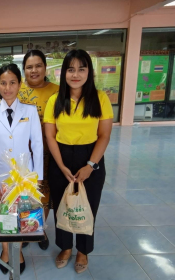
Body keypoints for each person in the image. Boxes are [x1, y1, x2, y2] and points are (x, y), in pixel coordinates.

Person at [44, 49, 113, 273]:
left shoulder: (100, 98)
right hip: (60, 158)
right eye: (70, 69)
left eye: (81, 69)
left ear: (88, 72)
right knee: (61, 206)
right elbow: (50, 136)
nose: (76, 74)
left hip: (91, 157)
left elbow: (104, 135)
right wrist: (61, 165)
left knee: (88, 206)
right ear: (63, 72)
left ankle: (83, 250)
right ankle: (65, 247)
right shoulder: (55, 100)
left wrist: (91, 166)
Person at [0, 63, 43, 275]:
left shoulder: (30, 111)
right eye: (3, 83)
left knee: (21, 213)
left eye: (12, 83)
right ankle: (6, 249)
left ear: (20, 84)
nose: (7, 88)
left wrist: (38, 176)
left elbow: (37, 144)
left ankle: (18, 248)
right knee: (2, 213)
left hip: (24, 175)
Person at [18, 50, 60, 250]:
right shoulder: (16, 91)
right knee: (25, 191)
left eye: (38, 66)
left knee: (45, 192)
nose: (34, 70)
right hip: (23, 153)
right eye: (29, 67)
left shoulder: (58, 91)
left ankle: (40, 229)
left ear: (45, 67)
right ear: (24, 69)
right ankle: (25, 228)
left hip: (51, 151)